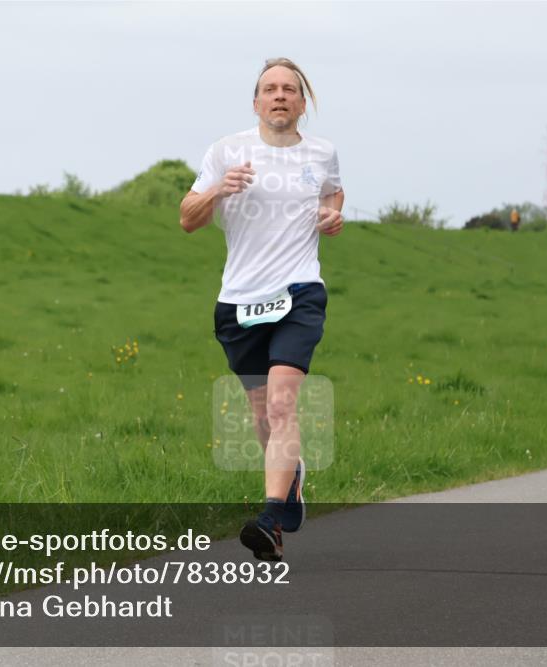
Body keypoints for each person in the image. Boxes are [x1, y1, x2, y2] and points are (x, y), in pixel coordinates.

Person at [179, 58, 343, 560]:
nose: (279, 96)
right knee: (261, 416)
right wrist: (217, 190)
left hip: (298, 293)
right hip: (239, 302)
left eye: (289, 89)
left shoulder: (322, 153)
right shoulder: (226, 151)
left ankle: (270, 516)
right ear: (255, 102)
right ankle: (291, 483)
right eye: (269, 89)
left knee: (281, 404)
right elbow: (187, 219)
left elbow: (334, 195)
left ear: (302, 102)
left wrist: (333, 216)